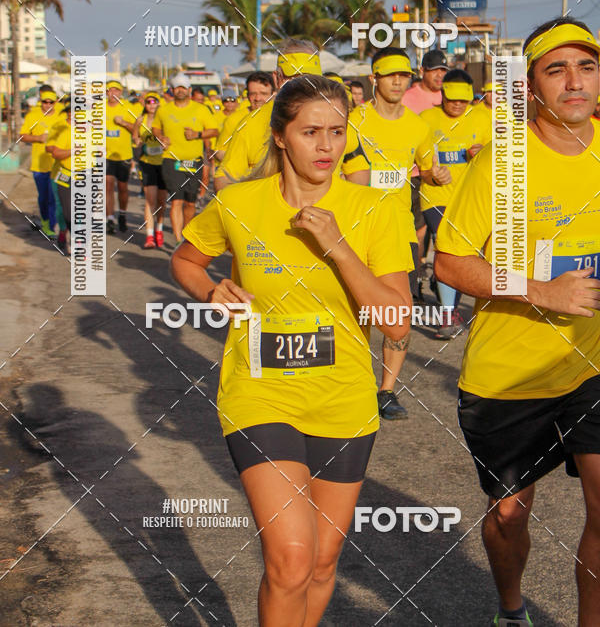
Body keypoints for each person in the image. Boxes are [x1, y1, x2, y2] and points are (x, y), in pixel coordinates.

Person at [171, 74, 414, 627]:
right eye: (311, 132)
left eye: (337, 132)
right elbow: (185, 259)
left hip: (344, 400)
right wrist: (210, 290)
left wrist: (339, 247)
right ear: (281, 136)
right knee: (291, 558)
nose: (327, 146)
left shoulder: (375, 208)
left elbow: (396, 321)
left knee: (322, 563)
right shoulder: (239, 203)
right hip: (260, 394)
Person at [435, 17, 600, 627]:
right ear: (531, 86)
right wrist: (542, 292)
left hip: (590, 366)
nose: (574, 81)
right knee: (508, 514)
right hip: (509, 373)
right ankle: (511, 610)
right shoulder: (503, 163)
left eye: (586, 66)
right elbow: (450, 262)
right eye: (557, 70)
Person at [342, 48, 436, 421]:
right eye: (390, 75)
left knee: (400, 313)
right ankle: (354, 381)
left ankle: (386, 390)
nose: (398, 81)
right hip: (356, 227)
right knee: (355, 309)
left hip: (398, 229)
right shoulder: (353, 121)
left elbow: (427, 169)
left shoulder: (418, 126)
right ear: (374, 78)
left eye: (404, 75)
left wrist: (436, 176)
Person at [215, 42, 369, 189]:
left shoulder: (337, 119)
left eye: (310, 78)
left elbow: (357, 169)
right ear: (277, 78)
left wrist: (342, 201)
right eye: (293, 78)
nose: (302, 86)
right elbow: (224, 178)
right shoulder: (250, 124)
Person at [419, 69, 491, 338]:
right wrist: (433, 175)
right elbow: (421, 169)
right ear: (442, 94)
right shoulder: (426, 120)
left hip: (470, 198)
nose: (458, 104)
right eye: (453, 99)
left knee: (463, 256)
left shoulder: (483, 118)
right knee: (445, 247)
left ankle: (448, 297)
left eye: (464, 99)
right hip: (436, 196)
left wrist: (483, 153)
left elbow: (499, 157)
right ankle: (447, 316)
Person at [403, 50, 450, 296]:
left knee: (442, 234)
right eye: (434, 71)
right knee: (418, 233)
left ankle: (440, 279)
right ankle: (417, 280)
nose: (440, 75)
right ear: (422, 71)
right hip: (413, 175)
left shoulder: (450, 96)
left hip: (444, 178)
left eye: (443, 70)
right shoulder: (408, 98)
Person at [152, 74, 218, 243]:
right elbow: (156, 128)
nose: (180, 90)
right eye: (177, 87)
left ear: (189, 90)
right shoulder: (163, 110)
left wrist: (197, 134)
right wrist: (161, 138)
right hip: (171, 160)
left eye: (183, 87)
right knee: (176, 201)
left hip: (193, 161)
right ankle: (178, 240)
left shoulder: (201, 109)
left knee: (190, 202)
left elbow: (214, 130)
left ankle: (186, 234)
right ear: (172, 90)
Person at [19, 88, 61, 238]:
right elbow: (22, 136)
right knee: (44, 197)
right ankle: (45, 222)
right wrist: (38, 138)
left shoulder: (61, 116)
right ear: (41, 102)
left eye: (51, 102)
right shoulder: (33, 116)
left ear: (55, 102)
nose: (47, 104)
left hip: (58, 164)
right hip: (39, 164)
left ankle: (51, 226)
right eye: (45, 102)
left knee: (54, 197)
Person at [214, 72, 275, 164]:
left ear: (273, 94)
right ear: (247, 95)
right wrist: (242, 163)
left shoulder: (282, 117)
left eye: (263, 93)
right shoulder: (234, 120)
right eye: (253, 94)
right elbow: (220, 151)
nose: (258, 98)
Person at [132, 91, 167, 249]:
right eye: (148, 102)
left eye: (154, 101)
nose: (152, 104)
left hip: (164, 163)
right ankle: (149, 236)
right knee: (150, 200)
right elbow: (135, 138)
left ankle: (159, 229)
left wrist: (166, 143)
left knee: (161, 201)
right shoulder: (140, 120)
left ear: (159, 103)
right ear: (145, 105)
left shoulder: (164, 119)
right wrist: (138, 141)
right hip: (147, 163)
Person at [105, 80, 137, 234]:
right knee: (108, 185)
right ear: (106, 93)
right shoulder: (99, 108)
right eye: (110, 90)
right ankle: (110, 219)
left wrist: (123, 123)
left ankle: (122, 215)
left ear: (121, 92)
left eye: (116, 90)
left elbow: (136, 130)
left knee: (123, 188)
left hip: (124, 154)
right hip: (105, 155)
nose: (113, 93)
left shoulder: (127, 107)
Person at [45, 100, 72, 245]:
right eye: (71, 111)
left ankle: (79, 241)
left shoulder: (90, 129)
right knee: (62, 206)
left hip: (84, 173)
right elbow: (49, 148)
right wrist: (68, 150)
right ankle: (62, 230)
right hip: (60, 172)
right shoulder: (59, 126)